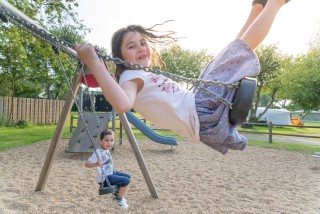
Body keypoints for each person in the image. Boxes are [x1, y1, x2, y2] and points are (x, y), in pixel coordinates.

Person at [76, 0, 291, 154]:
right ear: (120, 56)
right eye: (131, 46)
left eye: (143, 43)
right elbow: (122, 104)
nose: (141, 48)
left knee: (229, 54)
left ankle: (257, 9)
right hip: (198, 110)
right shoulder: (131, 77)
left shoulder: (140, 73)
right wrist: (94, 62)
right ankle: (275, 3)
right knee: (235, 53)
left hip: (198, 106)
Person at [85, 129, 130, 210]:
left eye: (112, 140)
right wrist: (96, 164)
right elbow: (86, 164)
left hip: (110, 173)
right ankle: (119, 199)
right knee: (126, 180)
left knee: (128, 176)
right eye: (106, 140)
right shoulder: (98, 152)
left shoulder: (106, 149)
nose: (109, 143)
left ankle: (116, 194)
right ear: (101, 141)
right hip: (105, 179)